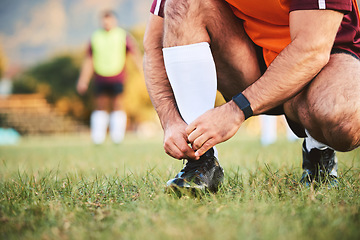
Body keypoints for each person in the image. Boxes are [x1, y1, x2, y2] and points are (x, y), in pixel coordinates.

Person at [143, 0, 360, 191]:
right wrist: (170, 119)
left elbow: (312, 49)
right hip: (251, 60)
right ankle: (200, 160)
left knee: (343, 119)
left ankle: (318, 148)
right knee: (182, 3)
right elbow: (153, 43)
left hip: (323, 59)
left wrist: (235, 111)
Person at [77, 10, 140, 144]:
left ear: (114, 21)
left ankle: (117, 137)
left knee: (118, 105)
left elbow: (134, 54)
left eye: (109, 19)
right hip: (100, 77)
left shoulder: (122, 36)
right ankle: (98, 138)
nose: (107, 22)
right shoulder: (95, 37)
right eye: (104, 20)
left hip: (118, 76)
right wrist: (83, 80)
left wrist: (142, 70)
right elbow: (89, 60)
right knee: (100, 106)